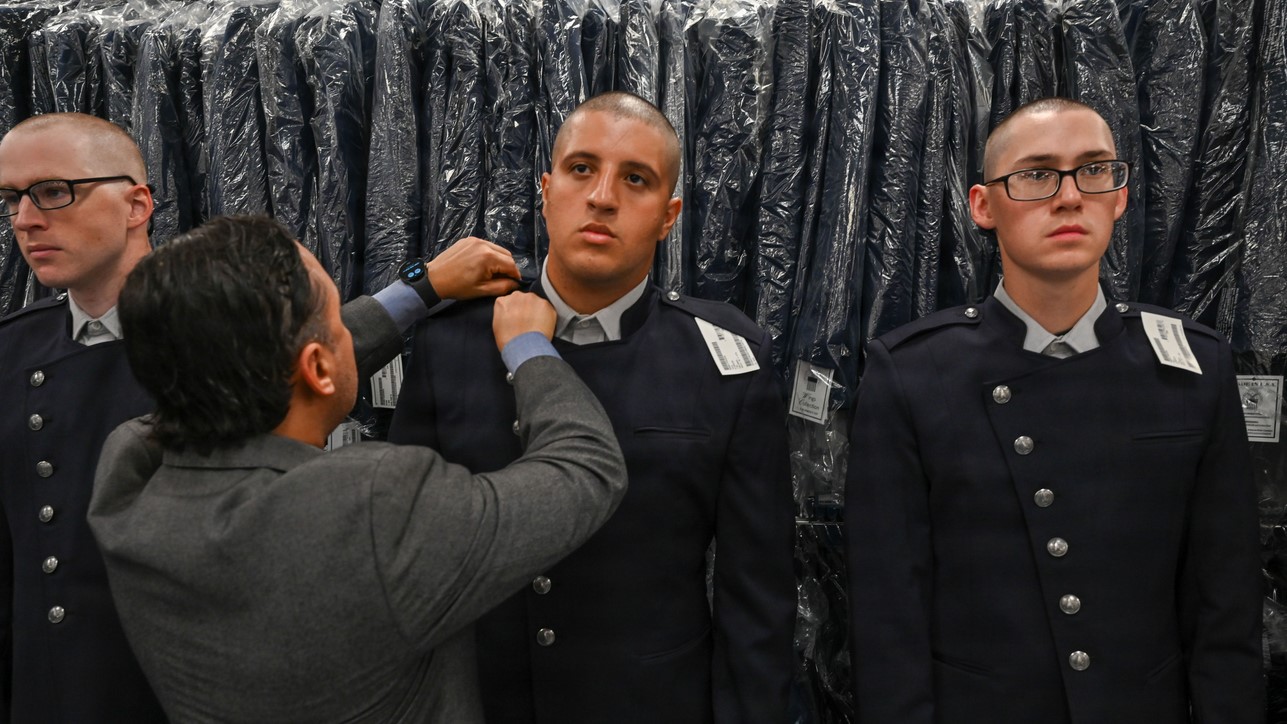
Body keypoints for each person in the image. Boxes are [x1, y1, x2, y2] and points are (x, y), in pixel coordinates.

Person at [0, 112, 526, 721]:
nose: (26, 219)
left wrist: (424, 287)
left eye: (54, 192)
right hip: (59, 687)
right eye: (11, 199)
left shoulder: (222, 320)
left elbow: (305, 351)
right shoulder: (12, 353)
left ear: (137, 203)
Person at [86, 215, 627, 722]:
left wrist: (421, 289)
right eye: (336, 318)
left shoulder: (129, 473)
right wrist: (529, 348)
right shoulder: (370, 508)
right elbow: (585, 469)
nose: (346, 327)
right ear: (317, 366)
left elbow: (221, 367)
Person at [844, 97, 1262, 723]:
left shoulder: (1194, 370)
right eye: (1037, 175)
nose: (1070, 197)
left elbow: (1226, 604)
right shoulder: (912, 375)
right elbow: (888, 615)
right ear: (984, 206)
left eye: (1093, 170)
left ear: (1119, 197)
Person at [389, 91, 796, 723]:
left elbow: (757, 596)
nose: (603, 196)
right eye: (582, 169)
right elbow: (406, 557)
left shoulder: (723, 365)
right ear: (546, 189)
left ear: (669, 215)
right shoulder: (450, 344)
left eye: (636, 179)